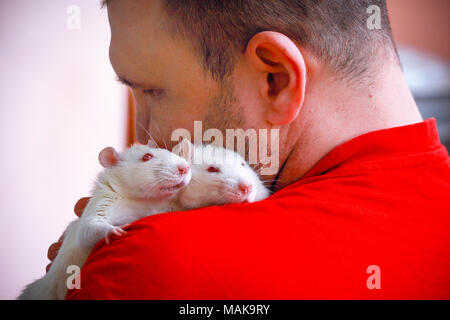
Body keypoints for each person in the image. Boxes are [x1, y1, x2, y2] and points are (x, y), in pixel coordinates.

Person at [48, 0, 449, 298]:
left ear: (275, 78)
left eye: (153, 91)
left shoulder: (150, 262)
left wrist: (111, 269)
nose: (142, 131)